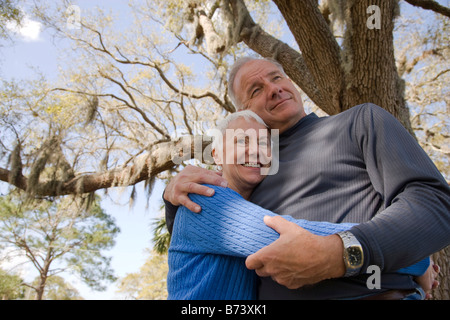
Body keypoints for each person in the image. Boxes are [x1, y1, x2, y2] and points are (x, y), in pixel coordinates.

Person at [164, 57, 450, 300]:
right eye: (256, 89)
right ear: (244, 111)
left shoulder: (360, 121)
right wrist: (173, 199)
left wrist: (348, 252)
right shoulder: (251, 174)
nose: (274, 89)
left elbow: (435, 203)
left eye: (277, 77)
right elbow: (210, 240)